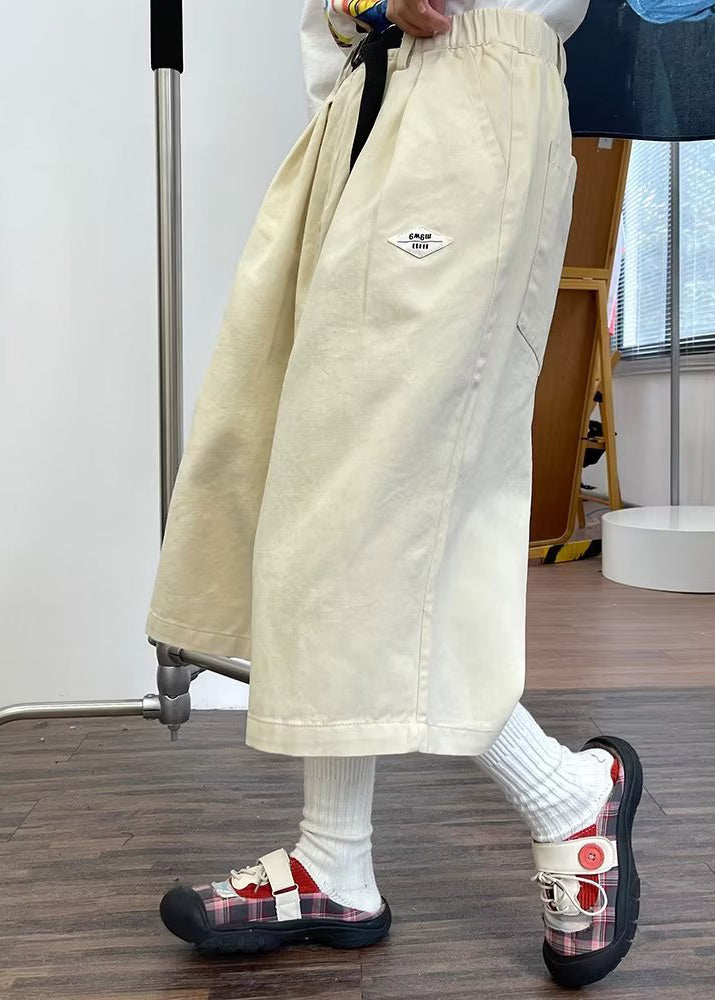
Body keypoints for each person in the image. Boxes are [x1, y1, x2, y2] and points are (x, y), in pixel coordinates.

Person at [150, 1, 644, 987]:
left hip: (467, 76)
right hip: (371, 93)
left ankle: (563, 795)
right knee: (323, 486)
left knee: (364, 508)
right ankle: (336, 859)